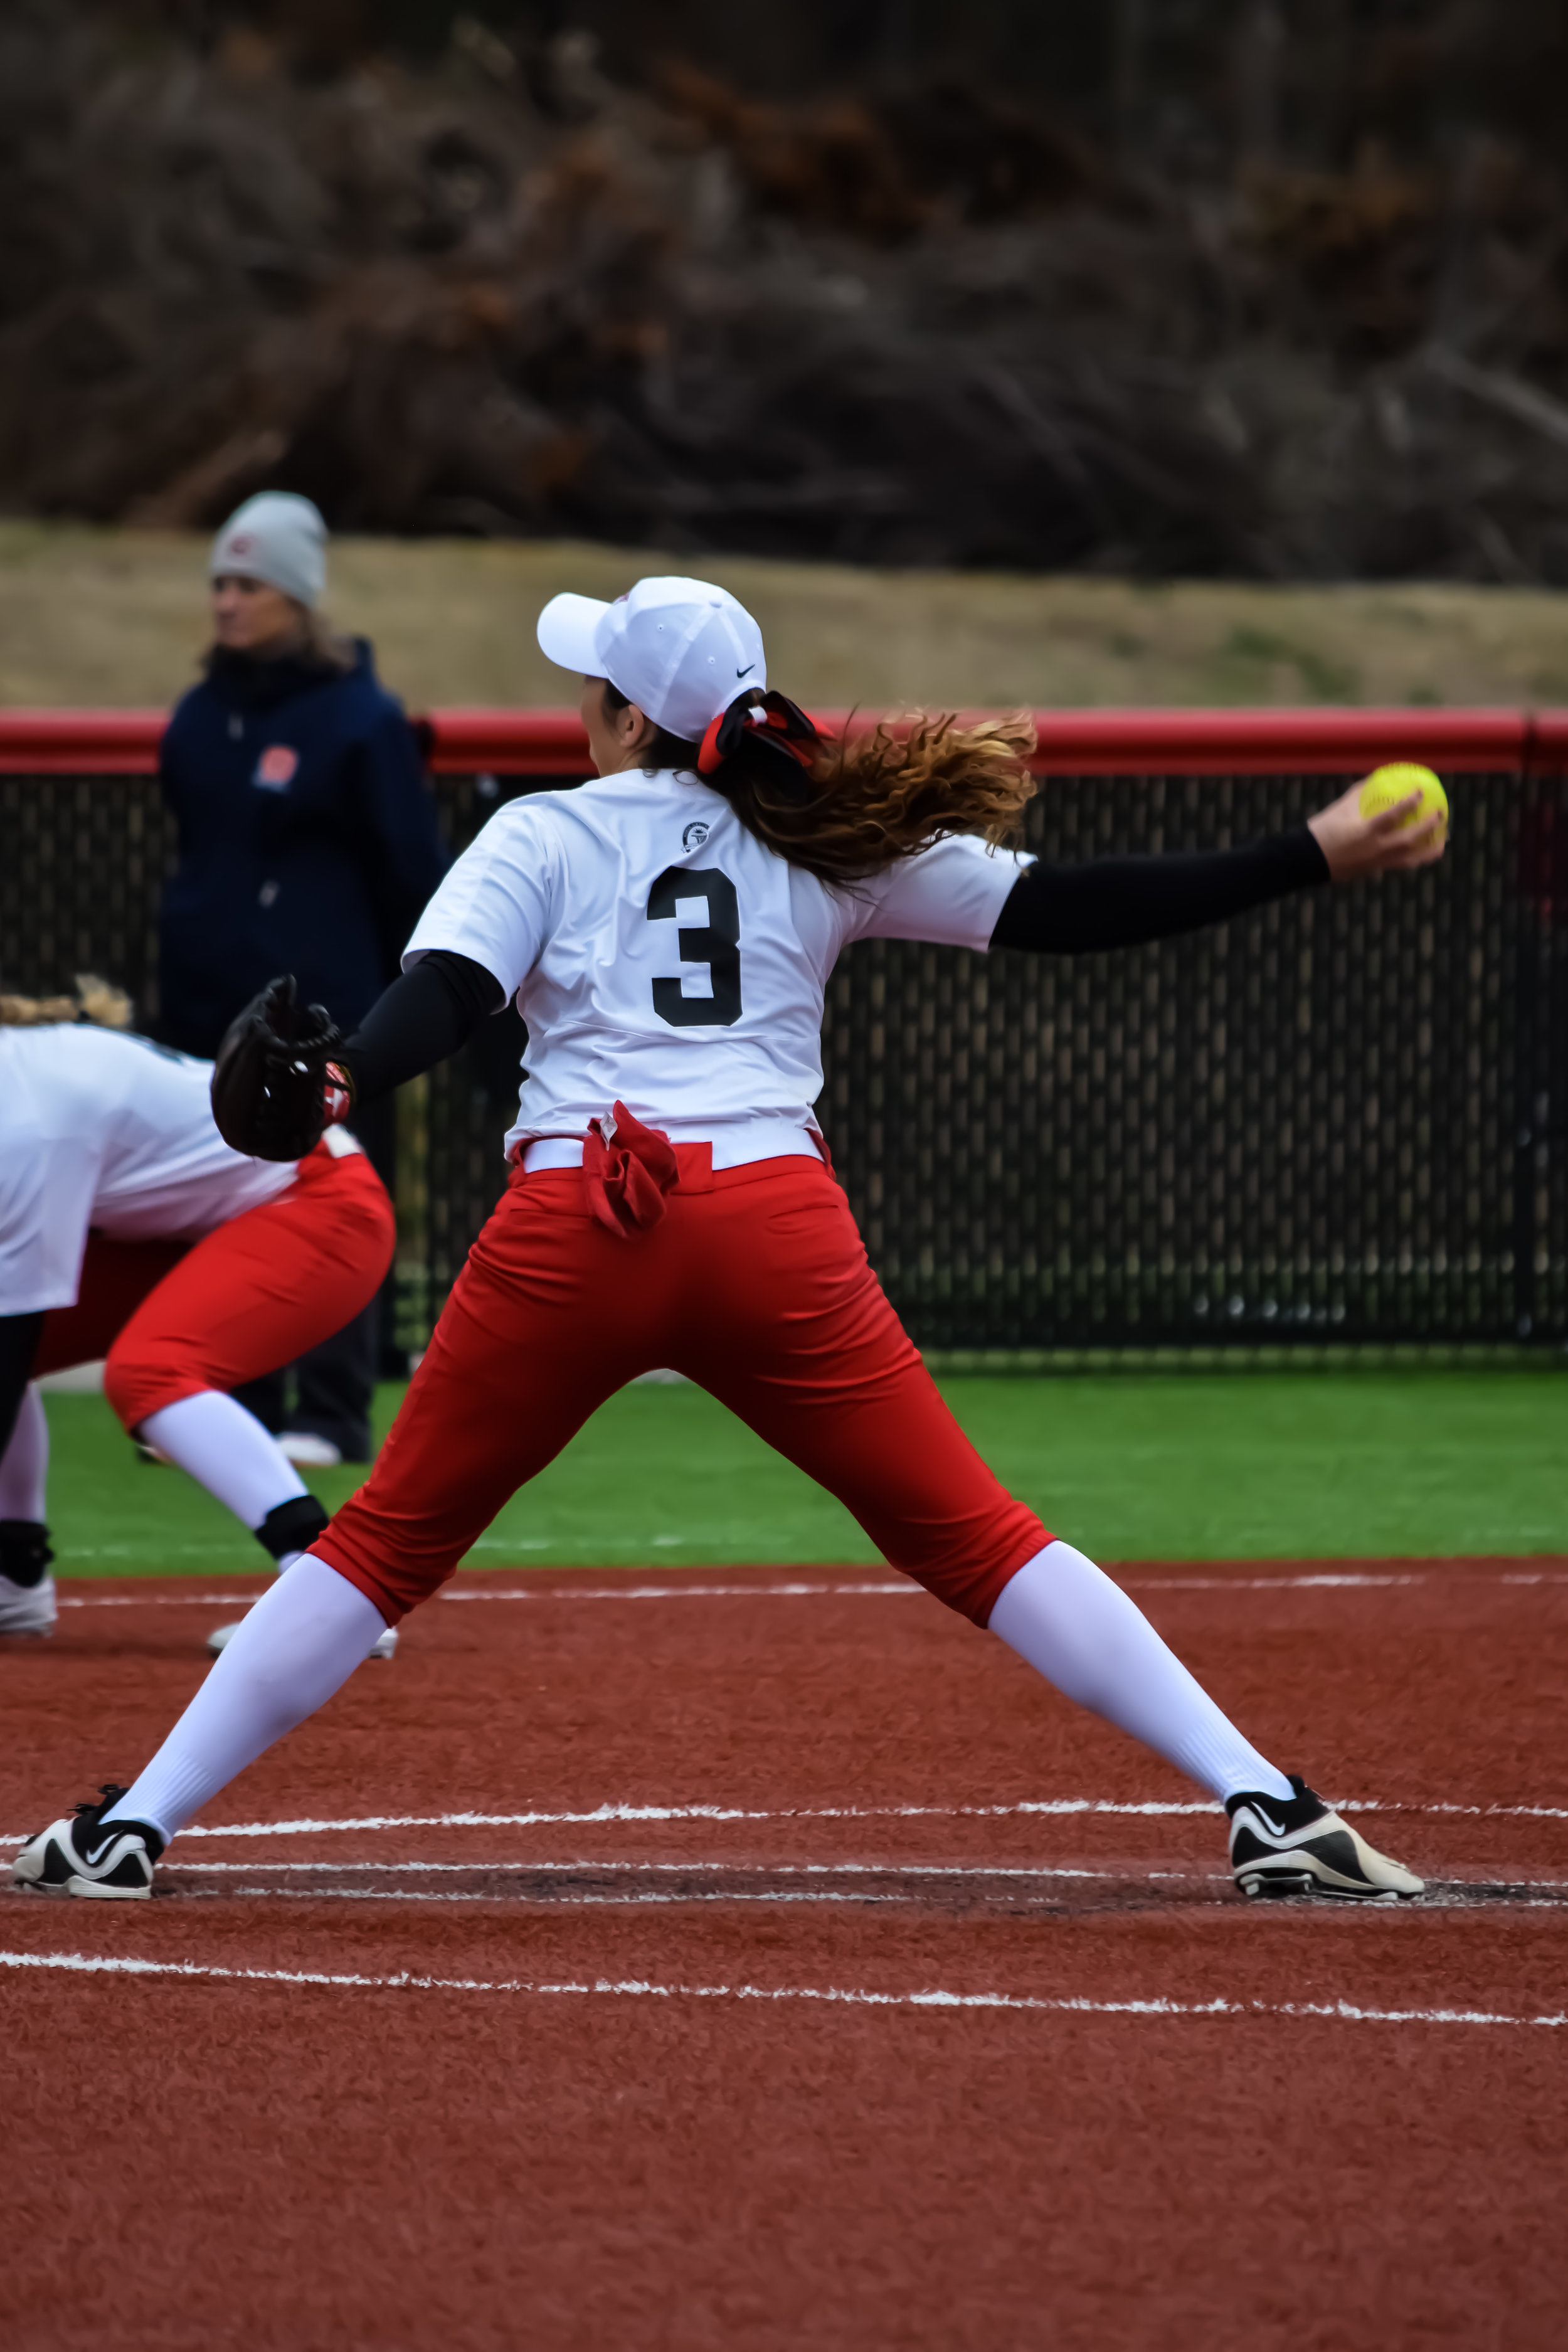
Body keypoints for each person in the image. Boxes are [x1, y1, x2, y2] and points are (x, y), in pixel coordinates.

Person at [15, 576, 1445, 1905]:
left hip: (575, 1222)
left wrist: (338, 1081)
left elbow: (442, 995)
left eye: (595, 686)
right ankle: (1265, 1800)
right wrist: (1305, 853)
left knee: (386, 1542)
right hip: (771, 1226)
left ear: (631, 718)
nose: (580, 703)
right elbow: (1070, 909)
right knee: (977, 1533)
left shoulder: (547, 827)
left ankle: (133, 1823)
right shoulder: (818, 835)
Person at [156, 491, 447, 1463]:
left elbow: (412, 869)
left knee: (334, 1193)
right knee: (215, 1195)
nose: (228, 603)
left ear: (296, 595)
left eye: (248, 584)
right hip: (206, 998)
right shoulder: (200, 716)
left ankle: (329, 1409)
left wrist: (407, 1000)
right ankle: (224, 1398)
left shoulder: (360, 720)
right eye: (220, 584)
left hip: (324, 1008)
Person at [0, 991, 398, 1657]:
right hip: (203, 1223)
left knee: (150, 1372)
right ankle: (14, 1577)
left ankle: (323, 1588)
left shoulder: (29, 1112)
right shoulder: (25, 1076)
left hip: (321, 1202)